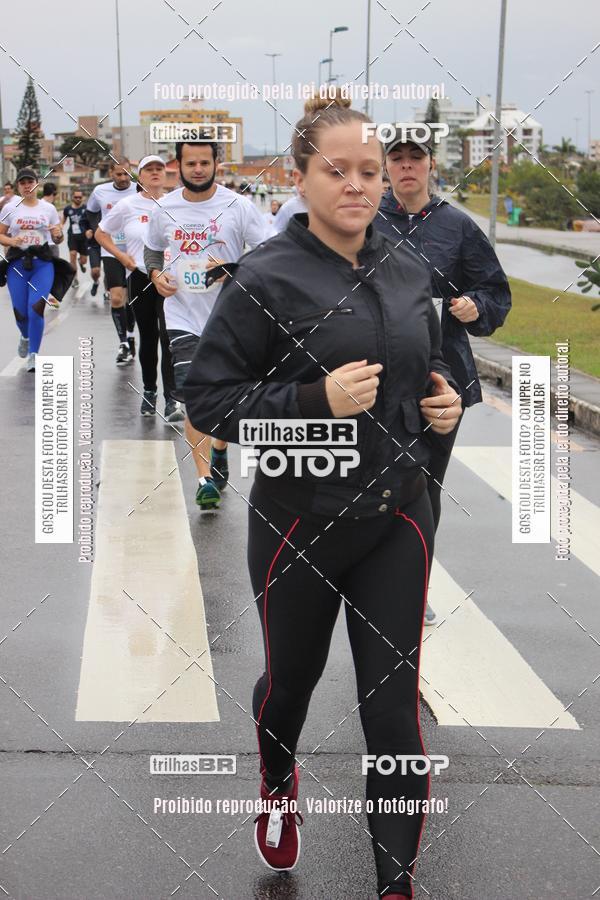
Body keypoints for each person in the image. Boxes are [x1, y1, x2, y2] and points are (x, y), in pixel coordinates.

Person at [183, 94, 462, 899]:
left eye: (370, 171)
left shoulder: (409, 267)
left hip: (398, 517)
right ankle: (276, 780)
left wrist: (443, 404)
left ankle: (396, 885)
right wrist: (311, 403)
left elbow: (429, 373)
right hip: (297, 523)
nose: (358, 185)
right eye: (336, 170)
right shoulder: (264, 277)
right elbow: (208, 403)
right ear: (300, 176)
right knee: (289, 687)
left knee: (394, 716)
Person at [375, 130, 511, 625]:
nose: (407, 166)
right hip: (372, 378)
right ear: (385, 166)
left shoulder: (457, 227)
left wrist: (476, 307)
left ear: (432, 165)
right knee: (370, 484)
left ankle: (413, 590)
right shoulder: (367, 221)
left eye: (417, 157)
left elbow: (495, 293)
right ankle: (364, 580)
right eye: (397, 158)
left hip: (441, 381)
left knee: (424, 489)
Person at [144, 139, 271, 509]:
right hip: (181, 316)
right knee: (194, 399)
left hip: (229, 319)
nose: (197, 169)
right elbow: (152, 248)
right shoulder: (164, 208)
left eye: (204, 162)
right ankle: (204, 479)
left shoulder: (238, 206)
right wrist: (155, 274)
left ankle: (219, 449)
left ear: (217, 163)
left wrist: (232, 271)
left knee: (226, 399)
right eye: (190, 163)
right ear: (178, 166)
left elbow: (266, 253)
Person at [95, 155, 183, 422]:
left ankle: (172, 400)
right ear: (140, 175)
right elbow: (101, 233)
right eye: (149, 169)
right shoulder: (127, 205)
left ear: (166, 175)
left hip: (170, 280)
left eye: (160, 169)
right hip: (142, 278)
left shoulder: (177, 202)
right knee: (148, 338)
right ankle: (149, 391)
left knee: (170, 341)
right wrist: (122, 258)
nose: (155, 173)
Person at [0, 168, 64, 371]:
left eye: (31, 182)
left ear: (37, 184)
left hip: (42, 263)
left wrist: (58, 234)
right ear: (19, 186)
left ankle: (34, 355)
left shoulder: (48, 208)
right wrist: (11, 240)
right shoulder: (11, 207)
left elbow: (57, 237)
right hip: (17, 264)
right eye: (23, 183)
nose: (27, 186)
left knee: (35, 308)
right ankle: (25, 336)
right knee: (20, 311)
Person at [86, 157, 137, 364]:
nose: (123, 178)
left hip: (136, 251)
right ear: (111, 174)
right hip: (112, 251)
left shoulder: (139, 189)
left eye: (126, 173)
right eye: (119, 174)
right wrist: (98, 230)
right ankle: (123, 343)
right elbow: (90, 212)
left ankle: (132, 335)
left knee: (132, 298)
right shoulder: (100, 191)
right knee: (117, 298)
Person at [63, 188, 89, 287]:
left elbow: (91, 220)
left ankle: (81, 263)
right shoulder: (68, 209)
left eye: (80, 197)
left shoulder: (86, 208)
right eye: (76, 197)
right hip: (72, 236)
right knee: (72, 255)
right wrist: (60, 226)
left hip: (84, 237)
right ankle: (75, 279)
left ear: (83, 198)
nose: (78, 199)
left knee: (84, 260)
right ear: (72, 198)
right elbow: (63, 220)